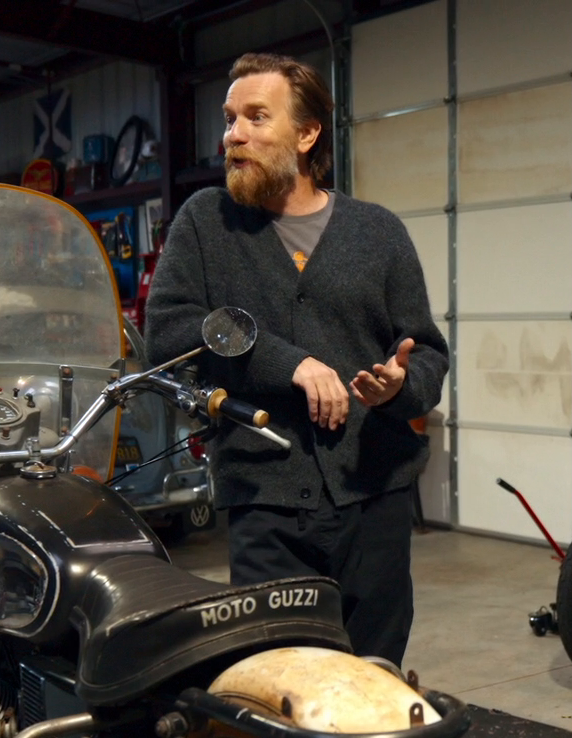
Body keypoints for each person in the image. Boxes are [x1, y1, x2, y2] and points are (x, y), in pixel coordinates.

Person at [145, 52, 448, 665]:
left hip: (374, 496)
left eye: (257, 117)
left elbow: (427, 354)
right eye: (230, 119)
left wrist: (400, 385)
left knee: (374, 675)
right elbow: (172, 331)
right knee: (278, 678)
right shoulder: (206, 223)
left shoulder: (378, 232)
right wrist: (286, 362)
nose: (234, 135)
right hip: (266, 501)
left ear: (307, 135)